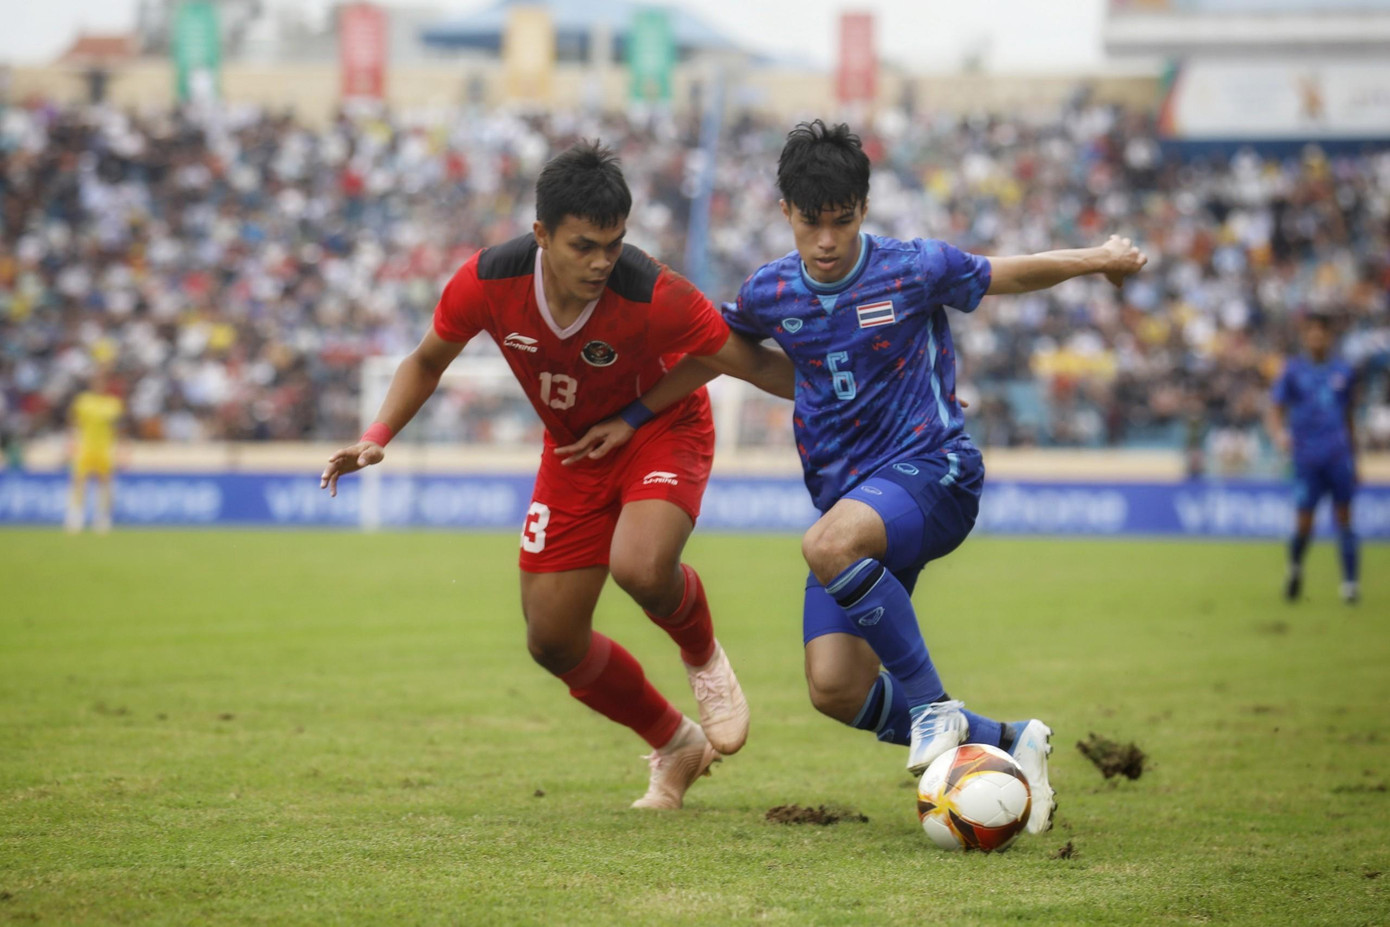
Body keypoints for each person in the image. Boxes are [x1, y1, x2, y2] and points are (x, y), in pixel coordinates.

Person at [559, 120, 1148, 836]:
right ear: (787, 214)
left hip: (935, 472)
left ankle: (936, 710)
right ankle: (1010, 736)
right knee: (835, 687)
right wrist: (631, 413)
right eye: (813, 223)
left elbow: (1009, 271)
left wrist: (1100, 259)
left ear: (863, 210)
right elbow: (716, 352)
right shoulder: (771, 291)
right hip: (855, 505)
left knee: (827, 544)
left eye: (842, 222)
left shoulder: (913, 267)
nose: (828, 240)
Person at [320, 141, 792, 810]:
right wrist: (376, 436)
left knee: (640, 566)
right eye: (583, 245)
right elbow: (426, 361)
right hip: (574, 454)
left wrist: (880, 388)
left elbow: (744, 361)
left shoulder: (654, 292)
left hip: (660, 429)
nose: (602, 261)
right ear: (541, 233)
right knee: (552, 638)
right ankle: (676, 741)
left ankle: (704, 657)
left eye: (614, 243)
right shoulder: (485, 282)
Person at [1266, 312, 1360, 604]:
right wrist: (1279, 435)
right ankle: (1295, 568)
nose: (1317, 337)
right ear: (1306, 337)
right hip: (1307, 457)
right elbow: (1274, 409)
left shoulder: (1344, 371)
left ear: (1329, 336)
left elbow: (1349, 416)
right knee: (1304, 523)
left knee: (1344, 519)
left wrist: (1356, 456)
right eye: (1312, 332)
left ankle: (1350, 585)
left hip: (1338, 455)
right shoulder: (1293, 371)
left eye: (1322, 332)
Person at [65, 369, 124, 534]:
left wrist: (121, 447)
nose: (99, 385)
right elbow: (73, 422)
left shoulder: (113, 404)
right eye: (96, 382)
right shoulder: (83, 402)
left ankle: (102, 517)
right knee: (79, 482)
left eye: (102, 382)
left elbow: (118, 428)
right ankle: (76, 516)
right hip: (85, 447)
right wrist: (70, 442)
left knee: (105, 483)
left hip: (105, 449)